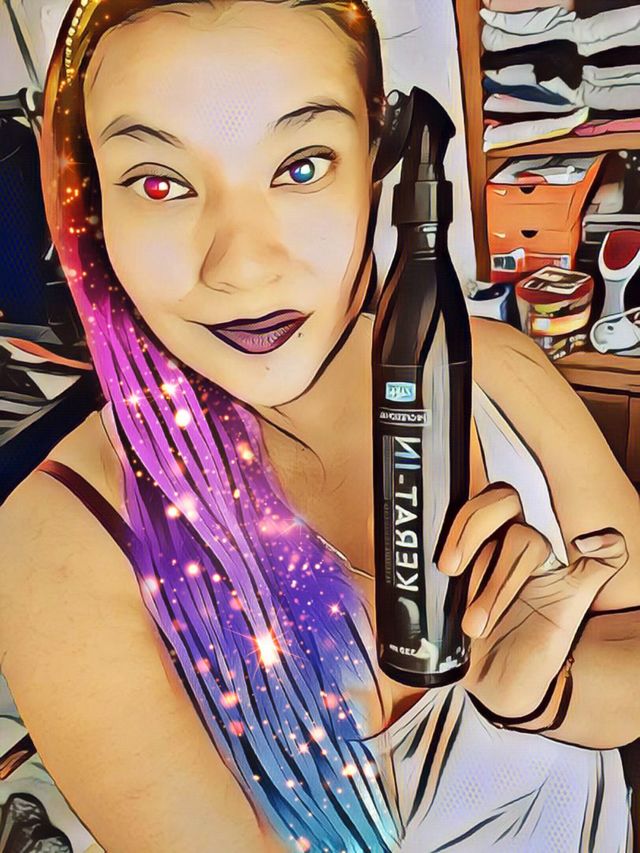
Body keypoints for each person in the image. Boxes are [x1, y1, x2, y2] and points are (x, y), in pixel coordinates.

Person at [1, 0, 639, 850]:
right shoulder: (60, 539)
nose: (241, 266)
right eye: (158, 182)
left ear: (376, 161)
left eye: (302, 166)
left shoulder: (505, 371)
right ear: (91, 209)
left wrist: (546, 694)